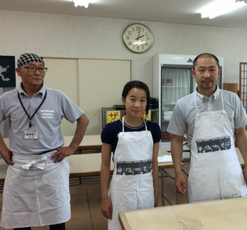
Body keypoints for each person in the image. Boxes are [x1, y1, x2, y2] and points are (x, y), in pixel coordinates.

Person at [0, 53, 89, 230]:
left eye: (41, 68)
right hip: (21, 165)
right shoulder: (7, 98)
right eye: (31, 68)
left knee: (56, 216)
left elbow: (83, 119)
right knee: (21, 217)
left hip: (51, 163)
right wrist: (2, 149)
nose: (37, 72)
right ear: (18, 71)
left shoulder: (57, 96)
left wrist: (72, 147)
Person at [167, 53, 247, 203]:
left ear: (218, 72)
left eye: (212, 70)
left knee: (235, 215)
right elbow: (176, 140)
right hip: (202, 174)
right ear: (193, 73)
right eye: (201, 70)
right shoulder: (183, 105)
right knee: (203, 217)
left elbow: (240, 133)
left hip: (230, 170)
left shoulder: (232, 99)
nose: (207, 75)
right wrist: (178, 172)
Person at [100, 80, 161, 230]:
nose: (137, 105)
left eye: (142, 100)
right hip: (121, 191)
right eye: (132, 99)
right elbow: (105, 164)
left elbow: (154, 163)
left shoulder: (153, 129)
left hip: (146, 190)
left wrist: (156, 192)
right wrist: (104, 197)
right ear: (123, 100)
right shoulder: (111, 129)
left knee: (145, 225)